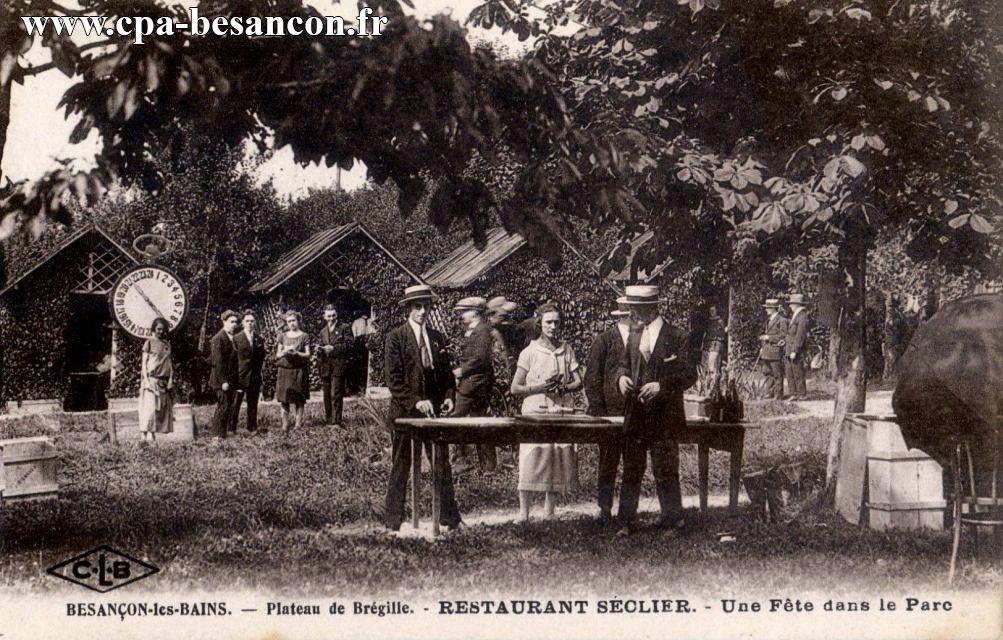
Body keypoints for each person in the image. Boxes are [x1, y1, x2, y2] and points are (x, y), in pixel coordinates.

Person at [615, 285, 697, 537]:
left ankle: (673, 520)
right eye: (631, 308)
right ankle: (627, 522)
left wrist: (662, 386)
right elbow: (622, 365)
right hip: (636, 414)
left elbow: (689, 374)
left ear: (651, 308)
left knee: (665, 468)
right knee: (632, 468)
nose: (632, 314)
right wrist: (621, 378)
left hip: (665, 416)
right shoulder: (633, 335)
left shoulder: (678, 336)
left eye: (635, 309)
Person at [383, 284, 462, 533]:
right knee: (401, 465)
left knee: (441, 463)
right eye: (417, 307)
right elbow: (393, 380)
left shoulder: (437, 338)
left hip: (432, 414)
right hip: (405, 413)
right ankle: (393, 521)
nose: (423, 311)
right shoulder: (396, 337)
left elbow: (447, 377)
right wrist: (415, 401)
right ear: (408, 309)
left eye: (426, 306)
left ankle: (449, 519)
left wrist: (449, 397)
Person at [510, 303, 583, 521]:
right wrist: (540, 387)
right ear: (539, 323)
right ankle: (524, 514)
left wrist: (563, 387)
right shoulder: (529, 352)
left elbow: (578, 380)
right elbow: (515, 388)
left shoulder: (566, 349)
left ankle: (549, 512)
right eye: (548, 322)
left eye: (556, 322)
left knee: (555, 459)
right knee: (532, 459)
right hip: (535, 411)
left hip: (560, 410)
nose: (553, 326)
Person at [584, 297, 633, 525]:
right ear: (622, 316)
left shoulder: (644, 341)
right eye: (631, 313)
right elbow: (592, 379)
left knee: (633, 463)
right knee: (608, 462)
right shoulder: (604, 340)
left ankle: (627, 511)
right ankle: (604, 509)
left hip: (635, 413)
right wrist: (600, 413)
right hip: (609, 414)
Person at [450, 297, 497, 473]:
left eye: (464, 312)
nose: (461, 315)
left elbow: (480, 358)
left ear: (475, 313)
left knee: (455, 419)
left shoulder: (482, 330)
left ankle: (462, 460)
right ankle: (488, 467)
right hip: (473, 382)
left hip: (475, 383)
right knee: (480, 421)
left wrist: (461, 371)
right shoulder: (472, 330)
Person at [138, 317, 174, 443]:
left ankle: (153, 436)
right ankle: (145, 437)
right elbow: (143, 365)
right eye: (158, 329)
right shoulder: (149, 343)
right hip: (151, 380)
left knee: (160, 410)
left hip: (163, 382)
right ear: (154, 329)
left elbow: (169, 364)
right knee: (149, 409)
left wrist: (170, 380)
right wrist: (146, 381)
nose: (160, 332)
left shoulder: (167, 344)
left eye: (163, 329)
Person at [317, 304, 355, 427]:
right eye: (328, 316)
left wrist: (334, 348)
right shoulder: (323, 331)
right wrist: (319, 350)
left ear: (336, 315)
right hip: (325, 366)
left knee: (336, 393)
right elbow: (320, 346)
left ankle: (336, 421)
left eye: (333, 315)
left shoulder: (345, 328)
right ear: (324, 316)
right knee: (327, 394)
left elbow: (350, 346)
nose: (331, 318)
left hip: (339, 366)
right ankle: (328, 419)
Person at [275, 310, 311, 432]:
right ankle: (285, 425)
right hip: (285, 370)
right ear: (286, 323)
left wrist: (297, 353)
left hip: (299, 370)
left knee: (299, 399)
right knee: (284, 399)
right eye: (289, 321)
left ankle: (298, 424)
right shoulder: (282, 336)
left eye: (294, 320)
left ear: (298, 321)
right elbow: (278, 355)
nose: (292, 323)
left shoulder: (304, 336)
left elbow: (308, 354)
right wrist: (284, 352)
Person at [230, 309, 266, 433]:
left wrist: (258, 372)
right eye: (247, 321)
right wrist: (235, 376)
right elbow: (233, 359)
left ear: (255, 322)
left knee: (253, 401)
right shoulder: (236, 338)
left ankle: (252, 427)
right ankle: (231, 427)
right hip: (240, 375)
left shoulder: (259, 339)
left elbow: (261, 357)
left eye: (252, 321)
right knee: (236, 401)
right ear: (243, 323)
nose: (250, 323)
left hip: (254, 375)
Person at [209, 310, 240, 439]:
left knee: (228, 406)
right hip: (220, 380)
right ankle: (216, 435)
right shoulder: (218, 338)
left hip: (231, 379)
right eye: (231, 322)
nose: (234, 324)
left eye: (236, 322)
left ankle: (223, 434)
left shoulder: (233, 338)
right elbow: (217, 362)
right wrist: (223, 382)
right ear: (224, 322)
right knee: (223, 406)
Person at [758, 298, 788, 400]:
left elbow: (783, 336)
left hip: (775, 351)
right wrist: (762, 348)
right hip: (766, 350)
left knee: (777, 373)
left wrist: (769, 338)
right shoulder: (769, 320)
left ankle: (778, 394)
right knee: (767, 372)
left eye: (768, 308)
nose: (766, 310)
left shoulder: (781, 320)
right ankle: (769, 392)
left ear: (773, 309)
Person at [785, 293, 810, 400]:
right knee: (790, 371)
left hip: (796, 349)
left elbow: (800, 335)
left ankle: (801, 394)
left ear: (797, 305)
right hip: (789, 348)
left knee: (798, 371)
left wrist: (795, 350)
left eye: (792, 304)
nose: (790, 306)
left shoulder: (802, 316)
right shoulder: (796, 315)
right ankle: (793, 393)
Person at [701, 304, 728, 379]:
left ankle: (714, 383)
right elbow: (705, 334)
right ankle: (705, 383)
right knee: (704, 365)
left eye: (713, 310)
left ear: (716, 311)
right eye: (710, 310)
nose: (711, 312)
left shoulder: (720, 321)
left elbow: (722, 333)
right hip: (707, 345)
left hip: (716, 345)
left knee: (712, 365)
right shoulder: (708, 322)